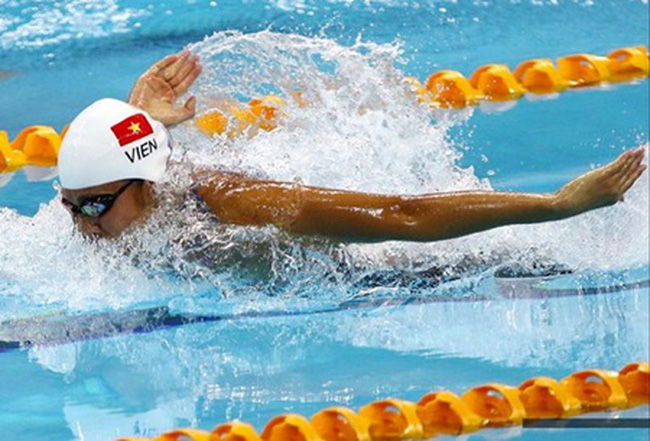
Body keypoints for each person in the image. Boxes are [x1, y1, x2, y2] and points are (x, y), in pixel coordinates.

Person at [59, 50, 647, 240]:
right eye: (71, 206)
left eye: (94, 207)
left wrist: (557, 206)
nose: (82, 225)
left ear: (147, 185)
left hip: (384, 267)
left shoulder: (239, 205)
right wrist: (137, 121)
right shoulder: (125, 194)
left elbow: (402, 215)